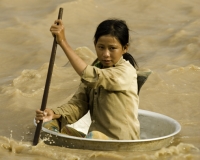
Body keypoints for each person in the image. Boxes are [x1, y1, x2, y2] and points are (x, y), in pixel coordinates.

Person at [35, 19, 140, 140]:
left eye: (112, 48)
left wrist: (62, 41)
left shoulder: (125, 71)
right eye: (101, 47)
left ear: (125, 48)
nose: (106, 54)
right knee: (49, 125)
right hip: (94, 137)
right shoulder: (96, 68)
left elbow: (90, 75)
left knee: (94, 136)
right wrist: (53, 113)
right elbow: (79, 104)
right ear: (95, 44)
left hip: (121, 141)